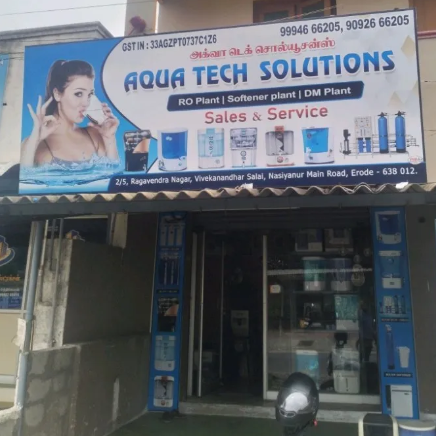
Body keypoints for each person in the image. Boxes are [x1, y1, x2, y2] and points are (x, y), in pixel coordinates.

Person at [21, 60, 119, 168]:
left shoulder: (94, 135)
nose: (86, 103)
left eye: (90, 94)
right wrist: (35, 140)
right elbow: (24, 175)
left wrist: (109, 137)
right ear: (57, 94)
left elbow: (113, 173)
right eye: (78, 94)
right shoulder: (34, 143)